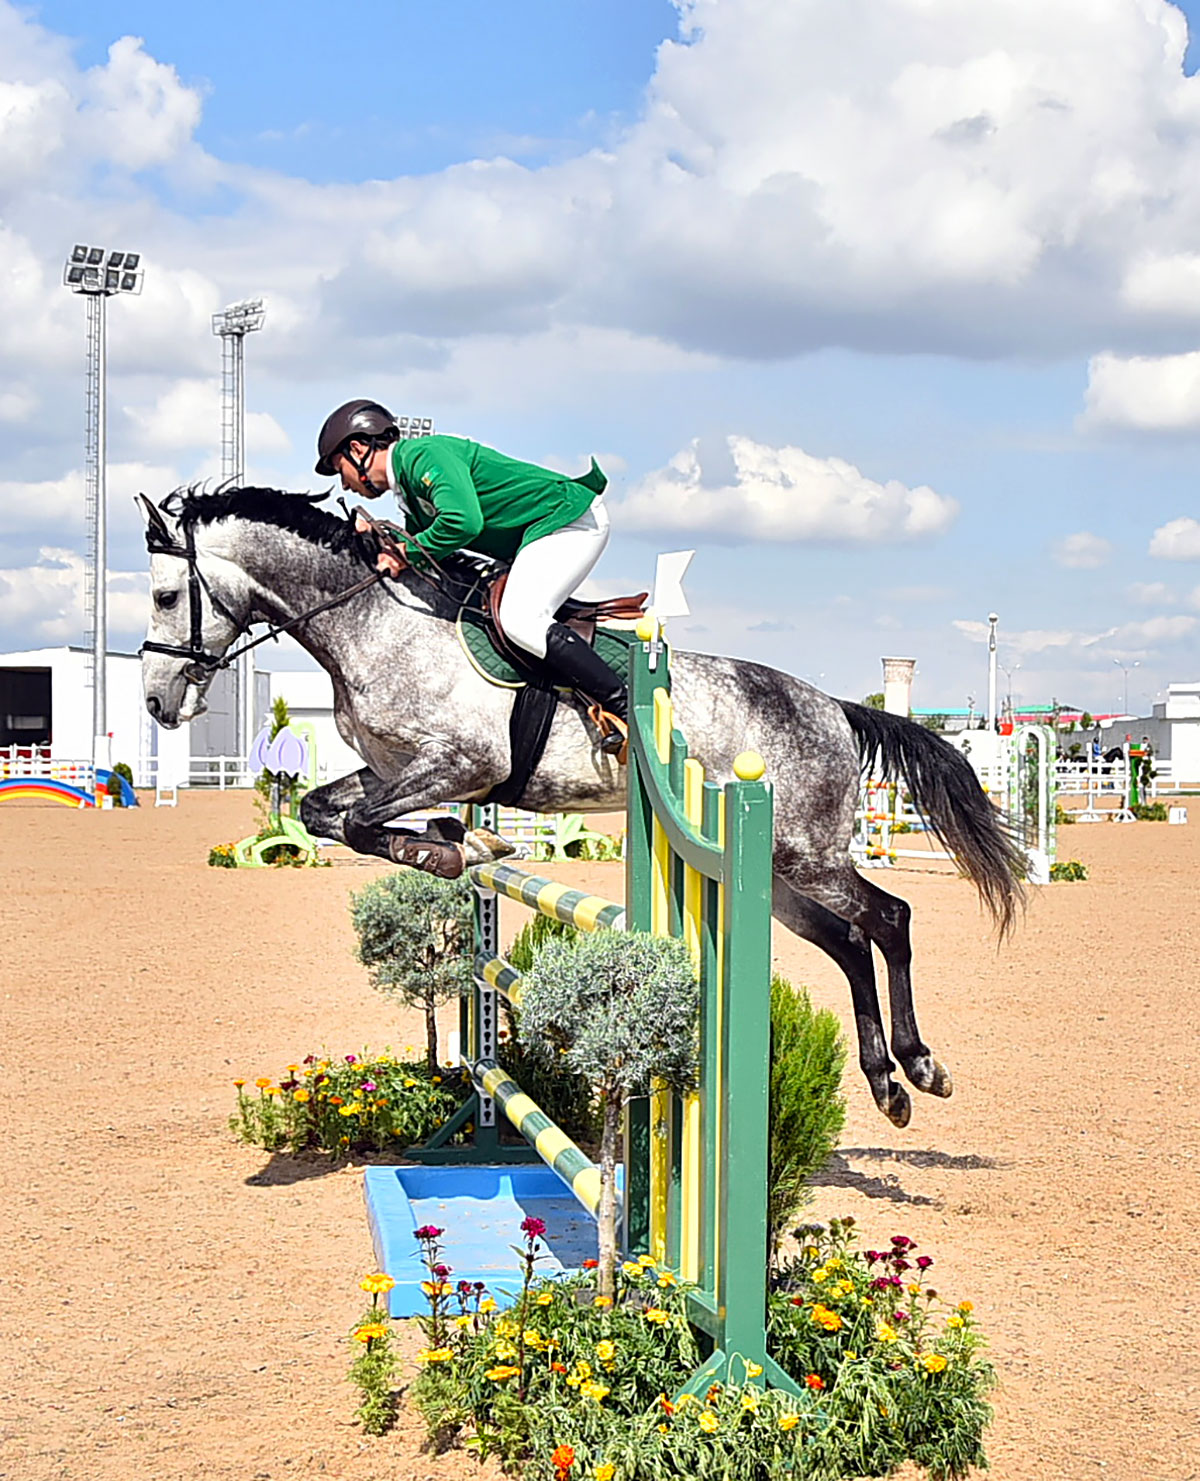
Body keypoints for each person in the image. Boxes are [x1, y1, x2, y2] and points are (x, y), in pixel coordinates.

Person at [315, 399, 628, 753]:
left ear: (358, 449)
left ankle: (623, 705)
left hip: (569, 521)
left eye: (340, 470)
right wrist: (374, 540)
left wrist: (405, 552)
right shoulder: (409, 494)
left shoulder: (422, 456)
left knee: (520, 620)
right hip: (539, 534)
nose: (344, 485)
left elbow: (463, 522)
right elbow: (423, 554)